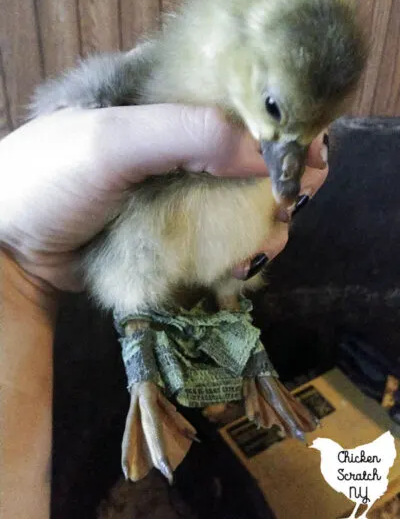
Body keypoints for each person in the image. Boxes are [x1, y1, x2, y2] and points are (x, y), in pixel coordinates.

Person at [0, 104, 329, 519]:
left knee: (233, 257)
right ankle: (155, 383)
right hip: (132, 240)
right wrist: (12, 246)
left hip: (188, 231)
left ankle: (249, 368)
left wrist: (15, 257)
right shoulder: (147, 107)